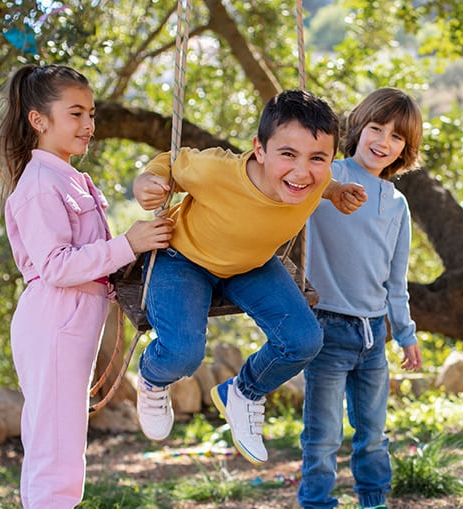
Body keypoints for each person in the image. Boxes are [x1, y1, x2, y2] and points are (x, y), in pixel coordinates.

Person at [131, 89, 368, 466]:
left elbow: (321, 181)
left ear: (330, 159)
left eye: (318, 159)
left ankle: (243, 393)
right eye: (287, 154)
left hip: (252, 265)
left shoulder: (312, 180)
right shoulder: (217, 172)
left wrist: (336, 191)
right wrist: (148, 181)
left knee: (304, 340)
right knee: (182, 354)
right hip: (183, 258)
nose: (302, 171)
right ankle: (153, 377)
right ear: (260, 149)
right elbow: (170, 162)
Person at [0, 64, 173, 509]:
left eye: (91, 113)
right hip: (54, 319)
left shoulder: (70, 178)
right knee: (55, 442)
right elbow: (55, 266)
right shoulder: (37, 185)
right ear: (39, 120)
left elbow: (92, 256)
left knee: (62, 439)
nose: (89, 125)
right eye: (75, 113)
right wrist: (128, 243)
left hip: (72, 319)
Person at [297, 88, 424, 509]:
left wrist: (405, 332)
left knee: (372, 434)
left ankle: (373, 506)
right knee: (323, 435)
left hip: (373, 336)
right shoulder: (325, 176)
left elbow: (396, 278)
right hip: (327, 328)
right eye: (376, 128)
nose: (383, 142)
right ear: (358, 127)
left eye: (396, 137)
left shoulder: (397, 204)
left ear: (405, 149)